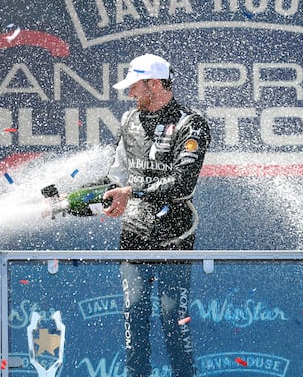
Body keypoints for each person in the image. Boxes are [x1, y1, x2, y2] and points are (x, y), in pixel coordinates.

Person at [102, 53, 211, 377]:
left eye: (135, 86)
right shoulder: (128, 121)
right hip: (134, 232)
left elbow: (183, 180)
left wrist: (131, 193)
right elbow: (116, 174)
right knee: (133, 318)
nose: (130, 93)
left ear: (154, 83)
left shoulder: (191, 123)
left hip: (175, 233)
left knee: (173, 321)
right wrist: (89, 198)